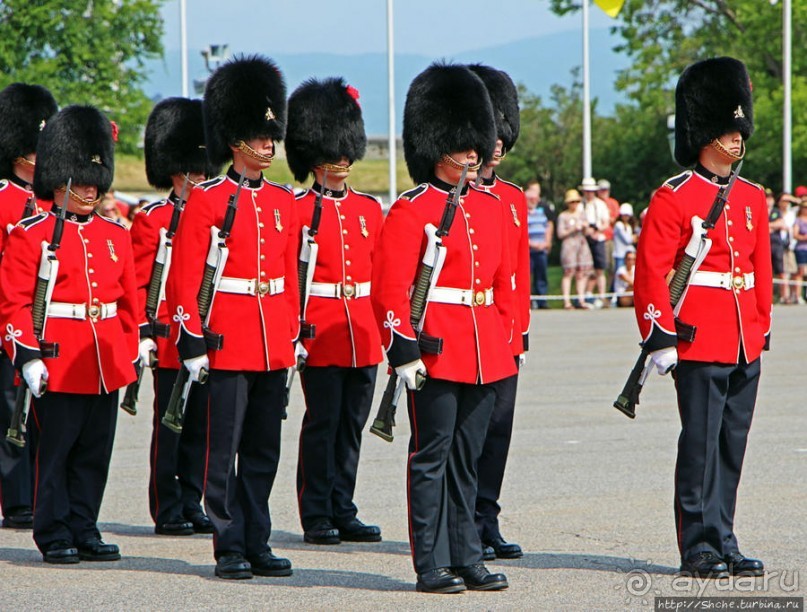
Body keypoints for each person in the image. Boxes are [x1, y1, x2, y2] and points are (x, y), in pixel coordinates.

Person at [371, 62, 513, 594]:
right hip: (435, 347)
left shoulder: (493, 208)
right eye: (462, 145)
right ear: (438, 146)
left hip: (483, 346)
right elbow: (389, 288)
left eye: (475, 144)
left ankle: (467, 554)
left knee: (467, 458)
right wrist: (402, 345)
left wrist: (500, 340)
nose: (473, 154)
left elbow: (499, 284)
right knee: (431, 456)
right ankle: (429, 561)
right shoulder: (411, 210)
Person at [633, 57, 771, 579]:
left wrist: (759, 329)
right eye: (727, 130)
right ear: (703, 134)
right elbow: (651, 273)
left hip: (742, 339)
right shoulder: (674, 196)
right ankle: (698, 545)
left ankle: (725, 537)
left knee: (731, 447)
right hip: (698, 338)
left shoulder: (753, 197)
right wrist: (659, 335)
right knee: (699, 445)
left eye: (740, 130)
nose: (737, 140)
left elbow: (757, 272)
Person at [166, 55, 298, 580]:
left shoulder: (284, 203)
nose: (269, 146)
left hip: (271, 342)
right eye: (260, 137)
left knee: (264, 449)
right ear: (236, 140)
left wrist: (290, 337)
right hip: (227, 339)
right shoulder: (207, 199)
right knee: (223, 449)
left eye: (271, 137)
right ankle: (228, 543)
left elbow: (288, 279)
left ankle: (257, 539)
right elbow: (185, 276)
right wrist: (192, 338)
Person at [0, 105, 139, 564]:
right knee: (55, 453)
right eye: (81, 180)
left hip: (102, 358)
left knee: (94, 452)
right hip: (58, 357)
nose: (90, 188)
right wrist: (27, 355)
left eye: (95, 181)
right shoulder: (32, 233)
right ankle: (53, 530)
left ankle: (85, 525)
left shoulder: (115, 235)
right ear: (60, 179)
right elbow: (14, 302)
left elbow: (125, 302)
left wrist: (130, 348)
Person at [284, 77, 383, 546]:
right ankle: (316, 511)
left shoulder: (369, 209)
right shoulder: (299, 207)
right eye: (334, 149)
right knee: (322, 424)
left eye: (347, 149)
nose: (342, 159)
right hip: (319, 329)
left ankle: (344, 506)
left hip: (362, 328)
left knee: (351, 425)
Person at [130, 97, 218, 537]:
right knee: (170, 426)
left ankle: (193, 499)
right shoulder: (152, 219)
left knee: (201, 426)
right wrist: (145, 333)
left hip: (205, 334)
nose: (198, 180)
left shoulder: (220, 215)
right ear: (174, 172)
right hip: (168, 338)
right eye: (191, 173)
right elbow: (144, 282)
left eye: (202, 172)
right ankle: (167, 506)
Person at [468, 63, 528, 562]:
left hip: (504, 333)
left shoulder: (511, 198)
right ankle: (463, 520)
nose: (499, 142)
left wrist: (521, 332)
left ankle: (487, 518)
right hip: (470, 331)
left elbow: (519, 273)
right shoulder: (459, 199)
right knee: (467, 433)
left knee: (499, 431)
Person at [0, 83, 57, 530]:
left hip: (48, 324)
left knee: (42, 414)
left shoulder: (51, 204)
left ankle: (40, 494)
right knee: (9, 410)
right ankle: (17, 498)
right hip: (9, 321)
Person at [557, 189, 594, 309]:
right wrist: (573, 228)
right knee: (569, 272)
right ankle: (566, 301)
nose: (574, 204)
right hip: (569, 244)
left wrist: (585, 227)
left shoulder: (582, 214)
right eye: (572, 202)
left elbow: (588, 231)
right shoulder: (563, 216)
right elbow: (560, 233)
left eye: (576, 202)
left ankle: (581, 299)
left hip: (581, 243)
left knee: (582, 272)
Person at [580, 177, 610, 307]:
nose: (589, 193)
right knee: (584, 269)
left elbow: (606, 223)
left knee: (599, 269)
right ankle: (584, 296)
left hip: (598, 238)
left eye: (591, 191)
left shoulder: (600, 204)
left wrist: (596, 229)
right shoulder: (581, 205)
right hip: (584, 239)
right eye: (587, 191)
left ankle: (602, 296)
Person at [525, 180, 555, 309]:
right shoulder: (523, 212)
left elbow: (548, 226)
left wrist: (547, 242)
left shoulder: (542, 211)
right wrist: (530, 244)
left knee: (541, 274)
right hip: (528, 248)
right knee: (527, 275)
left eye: (535, 198)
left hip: (541, 248)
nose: (533, 201)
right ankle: (528, 300)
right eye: (530, 198)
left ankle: (542, 299)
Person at [612, 202, 636, 276]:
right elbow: (628, 240)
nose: (626, 217)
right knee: (619, 275)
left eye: (627, 215)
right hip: (619, 254)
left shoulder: (628, 226)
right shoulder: (618, 225)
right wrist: (634, 237)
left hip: (627, 255)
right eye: (624, 215)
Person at [792, 201, 807, 303]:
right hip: (801, 249)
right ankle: (798, 296)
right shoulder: (798, 220)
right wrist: (804, 237)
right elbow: (795, 234)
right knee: (801, 272)